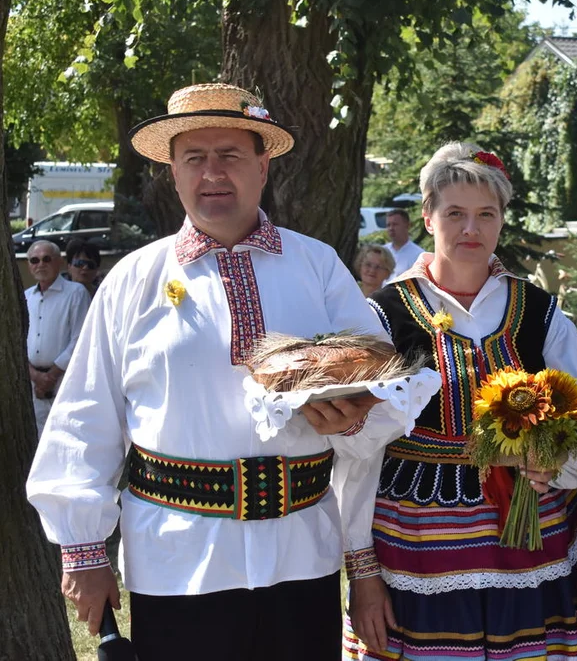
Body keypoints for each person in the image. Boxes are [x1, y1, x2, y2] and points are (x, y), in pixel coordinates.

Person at [26, 83, 400, 660]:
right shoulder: (134, 279)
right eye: (193, 158)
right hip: (178, 561)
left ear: (263, 165)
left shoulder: (318, 267)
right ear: (172, 173)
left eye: (229, 155)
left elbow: (383, 387)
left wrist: (352, 418)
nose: (212, 173)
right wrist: (83, 550)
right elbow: (85, 415)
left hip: (300, 554)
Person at [345, 143, 577, 660]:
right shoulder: (385, 315)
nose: (470, 230)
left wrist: (550, 460)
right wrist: (363, 572)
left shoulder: (539, 312)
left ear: (503, 220)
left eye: (486, 215)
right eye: (455, 214)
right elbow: (357, 456)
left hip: (529, 547)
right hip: (415, 551)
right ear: (427, 215)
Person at [24, 239, 90, 435]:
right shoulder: (26, 296)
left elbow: (80, 339)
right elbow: (18, 343)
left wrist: (51, 376)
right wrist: (36, 376)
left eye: (46, 259)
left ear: (59, 261)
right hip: (33, 384)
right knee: (35, 439)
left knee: (65, 435)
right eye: (34, 260)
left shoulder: (76, 293)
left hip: (65, 381)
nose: (40, 264)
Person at [383, 208, 423, 280]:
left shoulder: (419, 255)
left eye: (395, 224)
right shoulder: (383, 252)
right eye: (388, 225)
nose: (391, 228)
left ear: (407, 225)